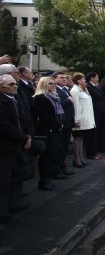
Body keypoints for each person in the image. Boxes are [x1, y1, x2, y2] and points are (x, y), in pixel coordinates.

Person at [0, 74, 32, 222]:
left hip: (18, 143)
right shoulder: (2, 102)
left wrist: (28, 135)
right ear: (2, 86)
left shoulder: (15, 100)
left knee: (17, 175)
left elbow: (24, 119)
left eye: (15, 84)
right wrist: (23, 137)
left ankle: (15, 202)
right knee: (4, 180)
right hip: (6, 146)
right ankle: (3, 210)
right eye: (11, 84)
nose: (15, 86)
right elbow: (5, 126)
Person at [33, 76, 65, 189]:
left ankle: (48, 178)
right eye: (50, 83)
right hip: (46, 130)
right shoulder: (40, 97)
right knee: (45, 156)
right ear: (43, 85)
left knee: (52, 154)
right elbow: (44, 116)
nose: (53, 85)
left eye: (54, 84)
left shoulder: (54, 97)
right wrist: (57, 125)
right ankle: (44, 181)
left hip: (54, 129)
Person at [70, 73, 96, 168]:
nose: (85, 81)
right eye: (83, 79)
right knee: (77, 139)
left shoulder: (84, 90)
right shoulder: (75, 90)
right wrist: (77, 121)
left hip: (86, 119)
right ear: (78, 81)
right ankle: (77, 159)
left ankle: (81, 157)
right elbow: (76, 106)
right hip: (79, 120)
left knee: (81, 139)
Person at [53, 72, 75, 176]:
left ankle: (62, 167)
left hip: (68, 121)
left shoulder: (66, 89)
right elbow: (55, 104)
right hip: (61, 122)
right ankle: (57, 169)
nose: (64, 79)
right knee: (59, 147)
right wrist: (67, 100)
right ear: (54, 79)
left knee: (65, 147)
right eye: (61, 78)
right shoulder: (54, 89)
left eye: (66, 78)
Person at [85, 72, 104, 160]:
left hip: (98, 112)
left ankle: (95, 151)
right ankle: (91, 153)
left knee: (96, 133)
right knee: (92, 134)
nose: (98, 78)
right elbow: (99, 95)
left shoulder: (95, 86)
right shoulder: (89, 86)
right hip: (94, 112)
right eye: (96, 77)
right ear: (92, 78)